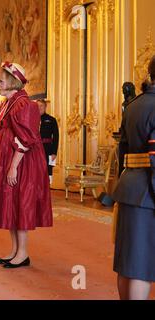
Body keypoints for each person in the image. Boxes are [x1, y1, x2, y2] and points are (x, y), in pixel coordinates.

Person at [0, 62, 53, 268]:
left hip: (21, 164)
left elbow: (26, 138)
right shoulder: (10, 103)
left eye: (1, 81)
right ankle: (14, 251)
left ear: (12, 82)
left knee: (21, 205)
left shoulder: (22, 104)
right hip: (10, 161)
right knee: (12, 204)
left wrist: (13, 167)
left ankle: (23, 253)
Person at [112, 55, 155, 300]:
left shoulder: (134, 105)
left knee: (127, 262)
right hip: (148, 192)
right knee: (142, 265)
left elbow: (123, 150)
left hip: (129, 187)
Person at [37, 99, 59, 185]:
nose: (39, 108)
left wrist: (54, 152)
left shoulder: (51, 120)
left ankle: (47, 190)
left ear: (45, 107)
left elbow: (56, 137)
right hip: (35, 149)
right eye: (37, 106)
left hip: (48, 149)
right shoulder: (31, 119)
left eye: (41, 106)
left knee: (47, 170)